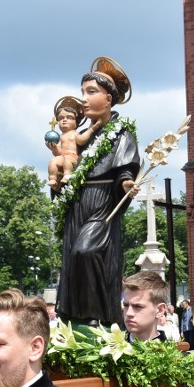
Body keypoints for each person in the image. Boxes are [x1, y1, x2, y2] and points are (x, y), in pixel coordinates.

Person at [56, 57, 140, 327]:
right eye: (83, 92)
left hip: (103, 203)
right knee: (72, 257)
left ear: (108, 98)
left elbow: (126, 167)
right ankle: (74, 318)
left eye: (91, 92)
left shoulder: (121, 133)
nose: (84, 98)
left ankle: (99, 316)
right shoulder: (79, 135)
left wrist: (126, 183)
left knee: (87, 251)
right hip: (78, 203)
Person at [46, 96, 102, 188]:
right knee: (53, 161)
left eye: (69, 117)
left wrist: (92, 129)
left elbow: (81, 141)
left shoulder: (75, 134)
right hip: (62, 156)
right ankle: (53, 178)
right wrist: (54, 148)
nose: (64, 120)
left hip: (72, 156)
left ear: (77, 122)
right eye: (61, 118)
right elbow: (58, 153)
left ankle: (67, 176)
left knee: (68, 161)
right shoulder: (59, 137)